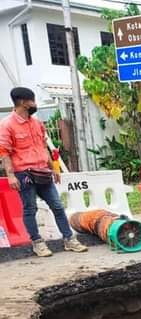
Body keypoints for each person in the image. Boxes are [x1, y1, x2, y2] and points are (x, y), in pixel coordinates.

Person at [0, 87, 87, 257]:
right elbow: (4, 152)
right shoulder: (7, 125)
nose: (35, 104)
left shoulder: (37, 124)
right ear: (24, 102)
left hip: (42, 171)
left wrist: (53, 168)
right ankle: (37, 242)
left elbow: (43, 147)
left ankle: (69, 239)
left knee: (57, 205)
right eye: (32, 100)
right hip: (24, 173)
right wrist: (10, 175)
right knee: (30, 208)